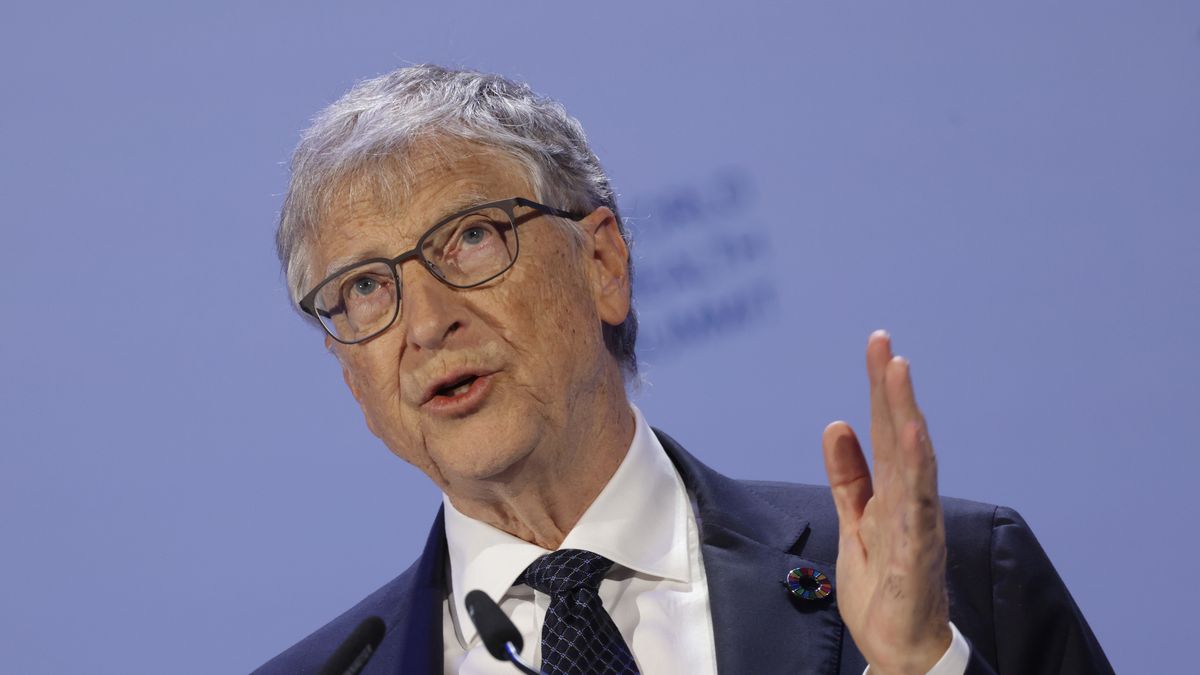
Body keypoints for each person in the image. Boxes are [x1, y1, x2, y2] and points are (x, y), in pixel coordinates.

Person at [253, 65, 1111, 674]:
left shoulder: (962, 578)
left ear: (603, 263)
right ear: (347, 369)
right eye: (364, 288)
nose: (428, 321)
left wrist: (922, 667)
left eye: (471, 237)